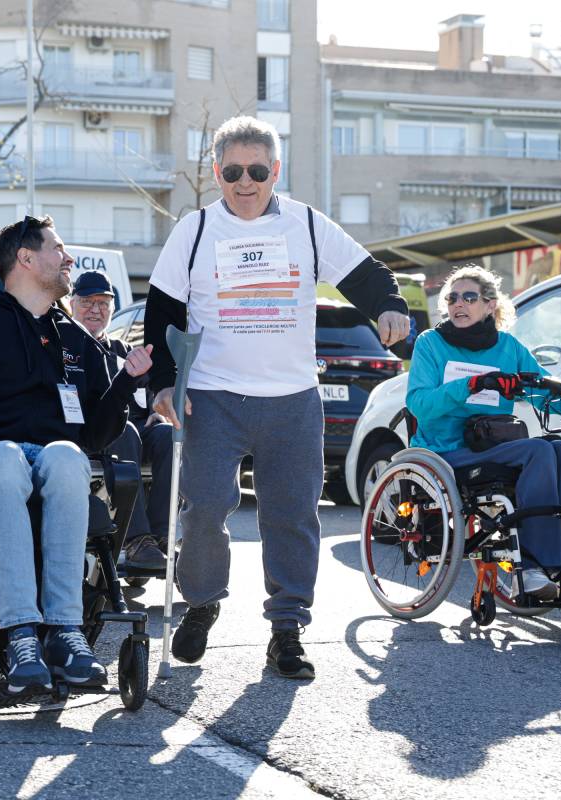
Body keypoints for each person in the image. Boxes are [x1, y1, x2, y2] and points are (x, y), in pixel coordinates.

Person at [145, 116, 410, 679]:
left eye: (258, 170)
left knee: (291, 516)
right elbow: (161, 315)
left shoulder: (306, 224)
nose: (246, 182)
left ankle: (286, 631)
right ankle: (201, 602)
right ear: (217, 172)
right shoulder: (193, 232)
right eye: (234, 171)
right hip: (213, 397)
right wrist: (163, 383)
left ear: (276, 171)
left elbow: (365, 274)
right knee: (206, 508)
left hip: (292, 401)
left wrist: (389, 305)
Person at [0, 215, 153, 695]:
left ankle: (63, 631)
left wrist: (125, 383)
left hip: (55, 461)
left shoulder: (76, 339)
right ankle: (20, 634)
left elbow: (96, 433)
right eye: (59, 249)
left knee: (64, 456)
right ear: (26, 258)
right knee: (5, 458)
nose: (69, 259)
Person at [407, 265, 561, 602]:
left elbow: (545, 393)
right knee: (539, 451)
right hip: (444, 450)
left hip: (492, 445)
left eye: (469, 297)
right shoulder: (431, 344)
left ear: (489, 305)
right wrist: (471, 384)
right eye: (452, 297)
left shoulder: (508, 347)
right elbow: (419, 404)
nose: (458, 303)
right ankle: (529, 567)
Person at [68, 271, 173, 571]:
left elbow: (150, 391)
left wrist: (156, 408)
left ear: (112, 310)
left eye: (103, 303)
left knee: (166, 435)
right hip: (91, 435)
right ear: (72, 304)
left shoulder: (124, 351)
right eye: (87, 302)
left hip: (136, 432)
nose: (96, 310)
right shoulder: (65, 348)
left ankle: (163, 536)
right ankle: (137, 540)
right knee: (124, 430)